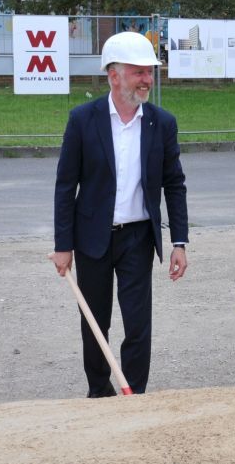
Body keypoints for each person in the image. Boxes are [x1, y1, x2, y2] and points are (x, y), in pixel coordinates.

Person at [52, 32, 189, 397]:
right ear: (114, 75)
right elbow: (66, 186)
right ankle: (100, 392)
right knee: (94, 321)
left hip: (138, 237)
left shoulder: (162, 123)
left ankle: (135, 393)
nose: (147, 79)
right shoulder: (83, 120)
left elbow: (174, 184)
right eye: (139, 72)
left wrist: (179, 242)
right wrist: (63, 245)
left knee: (138, 323)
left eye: (150, 72)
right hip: (92, 237)